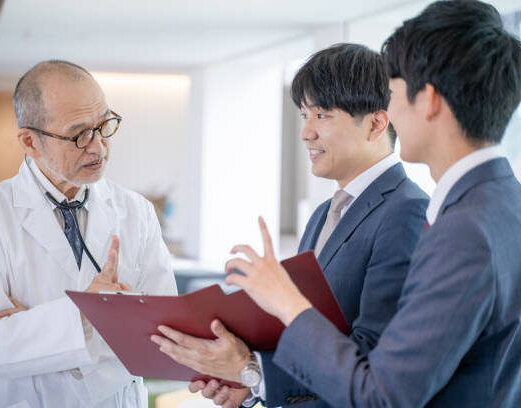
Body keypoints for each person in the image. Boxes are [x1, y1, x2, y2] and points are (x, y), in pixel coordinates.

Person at [185, 1, 521, 407]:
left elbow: (382, 392)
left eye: (394, 94)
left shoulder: (462, 228)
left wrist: (284, 304)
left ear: (428, 100)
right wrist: (257, 376)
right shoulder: (499, 202)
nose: (391, 110)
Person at [151, 44, 429, 407]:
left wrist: (250, 369)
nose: (306, 133)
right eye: (304, 115)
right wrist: (252, 382)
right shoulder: (324, 214)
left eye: (323, 116)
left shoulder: (408, 210)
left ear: (377, 123)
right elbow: (304, 338)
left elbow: (374, 359)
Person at [0, 60, 177, 408]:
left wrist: (36, 327)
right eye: (79, 134)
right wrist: (87, 313)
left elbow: (164, 333)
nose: (98, 147)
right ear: (30, 142)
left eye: (104, 125)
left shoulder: (137, 213)